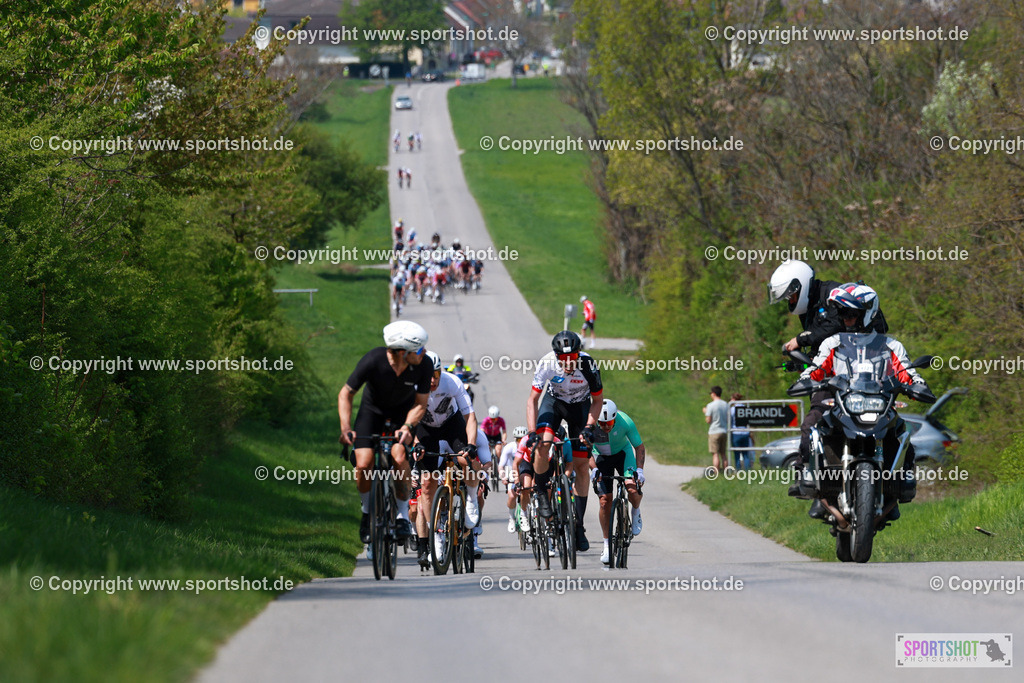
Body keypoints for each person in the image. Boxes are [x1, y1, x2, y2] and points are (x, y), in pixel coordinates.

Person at [799, 283, 930, 520]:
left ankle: (895, 487)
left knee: (902, 435)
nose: (845, 318)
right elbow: (817, 367)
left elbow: (907, 370)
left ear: (868, 313)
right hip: (843, 405)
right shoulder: (833, 343)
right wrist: (807, 378)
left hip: (880, 406)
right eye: (842, 313)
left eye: (850, 313)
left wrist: (917, 384)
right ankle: (817, 484)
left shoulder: (891, 345)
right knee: (816, 430)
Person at [767, 260, 890, 502]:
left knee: (892, 425)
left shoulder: (836, 297)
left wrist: (801, 339)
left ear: (799, 287)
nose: (790, 303)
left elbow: (835, 328)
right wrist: (804, 365)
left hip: (866, 377)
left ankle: (894, 483)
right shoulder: (812, 306)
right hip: (834, 378)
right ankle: (811, 482)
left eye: (790, 297)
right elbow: (825, 349)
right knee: (812, 424)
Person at [338, 321, 431, 551]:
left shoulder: (423, 364)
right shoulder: (374, 360)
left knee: (399, 458)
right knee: (364, 464)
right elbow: (345, 394)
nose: (424, 353)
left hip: (403, 416)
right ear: (402, 353)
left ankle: (400, 516)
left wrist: (409, 426)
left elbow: (421, 404)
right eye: (419, 349)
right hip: (372, 414)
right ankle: (367, 513)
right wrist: (345, 428)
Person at [526, 330, 603, 552]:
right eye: (563, 359)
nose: (569, 363)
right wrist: (532, 432)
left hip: (580, 407)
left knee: (581, 465)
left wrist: (589, 427)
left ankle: (578, 525)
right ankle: (541, 492)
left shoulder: (588, 364)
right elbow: (532, 400)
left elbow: (597, 401)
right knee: (543, 444)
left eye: (573, 358)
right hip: (555, 403)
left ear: (579, 354)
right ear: (556, 356)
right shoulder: (547, 363)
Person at [411, 352, 481, 568]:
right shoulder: (413, 387)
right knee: (427, 482)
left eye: (436, 375)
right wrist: (416, 443)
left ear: (442, 372)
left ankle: (471, 498)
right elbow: (408, 422)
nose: (432, 380)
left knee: (465, 460)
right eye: (428, 375)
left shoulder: (452, 383)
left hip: (452, 424)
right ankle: (436, 535)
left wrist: (470, 444)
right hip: (425, 430)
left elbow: (470, 416)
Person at [590, 399, 645, 565]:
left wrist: (639, 470)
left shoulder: (625, 421)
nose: (606, 427)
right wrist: (593, 469)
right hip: (601, 458)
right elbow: (584, 452)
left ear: (615, 418)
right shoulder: (591, 425)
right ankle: (607, 544)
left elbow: (639, 447)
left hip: (623, 454)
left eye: (610, 423)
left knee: (632, 488)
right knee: (604, 501)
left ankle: (635, 511)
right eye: (603, 424)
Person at [500, 426, 528, 532]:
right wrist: (503, 477)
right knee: (512, 496)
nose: (520, 442)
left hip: (526, 472)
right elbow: (501, 465)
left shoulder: (529, 447)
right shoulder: (509, 447)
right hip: (512, 473)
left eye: (522, 439)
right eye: (518, 440)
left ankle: (528, 516)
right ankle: (511, 518)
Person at [704, 386, 729, 472]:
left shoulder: (710, 405)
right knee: (723, 454)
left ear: (714, 394)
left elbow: (708, 420)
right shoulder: (726, 404)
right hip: (724, 430)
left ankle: (716, 473)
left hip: (714, 431)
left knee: (715, 454)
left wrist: (705, 412)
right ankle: (726, 472)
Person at [729, 393, 755, 471]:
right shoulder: (745, 408)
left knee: (737, 454)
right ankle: (747, 471)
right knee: (745, 454)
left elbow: (729, 421)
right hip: (745, 433)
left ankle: (738, 470)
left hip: (735, 433)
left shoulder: (732, 409)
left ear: (733, 399)